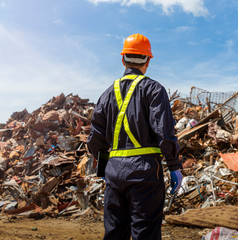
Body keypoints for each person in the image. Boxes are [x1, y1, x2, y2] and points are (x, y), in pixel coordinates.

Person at [87, 33, 183, 240]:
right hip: (145, 172)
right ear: (148, 61)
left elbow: (95, 139)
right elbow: (165, 134)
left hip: (114, 172)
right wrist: (174, 166)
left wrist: (105, 167)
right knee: (145, 232)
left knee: (114, 232)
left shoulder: (106, 94)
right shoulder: (154, 90)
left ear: (123, 60)